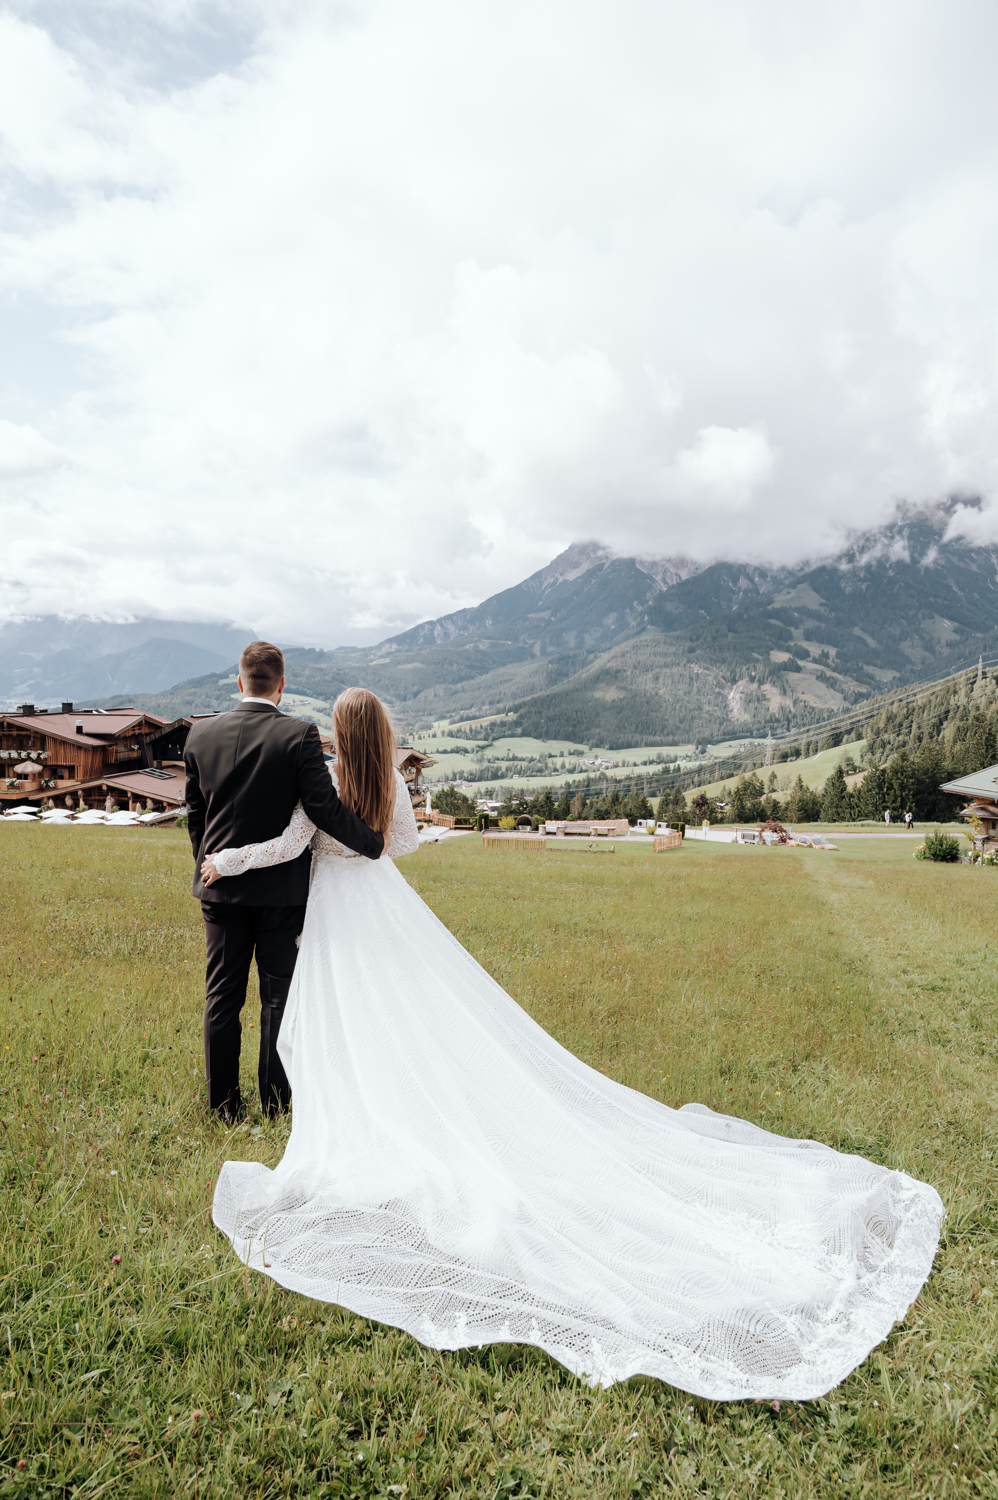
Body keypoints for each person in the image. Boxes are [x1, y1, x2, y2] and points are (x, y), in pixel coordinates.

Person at [201, 688, 943, 1401]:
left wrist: (226, 860)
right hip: (384, 910)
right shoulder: (388, 777)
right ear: (384, 733)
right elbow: (406, 845)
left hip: (336, 919)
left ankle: (362, 1115)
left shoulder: (322, 779)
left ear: (337, 731)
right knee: (415, 1017)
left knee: (346, 1023)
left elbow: (292, 843)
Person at [184, 643, 387, 1124]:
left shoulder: (200, 735)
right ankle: (276, 1107)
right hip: (280, 894)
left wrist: (208, 863)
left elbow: (196, 814)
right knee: (278, 998)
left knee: (222, 997)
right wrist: (372, 843)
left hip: (219, 890)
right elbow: (323, 809)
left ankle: (223, 1109)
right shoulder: (299, 737)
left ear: (240, 682)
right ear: (282, 684)